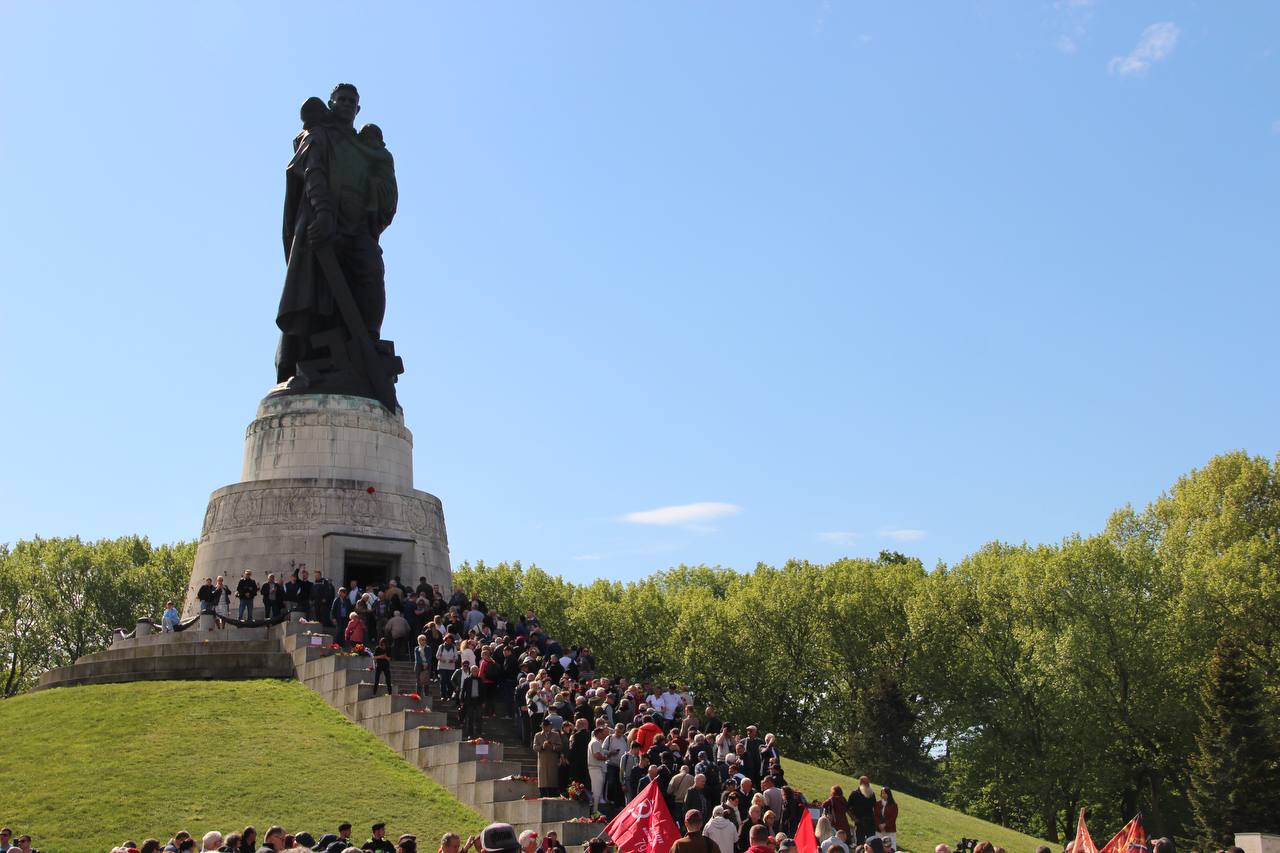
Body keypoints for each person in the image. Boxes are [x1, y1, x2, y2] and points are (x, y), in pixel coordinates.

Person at [276, 83, 398, 394]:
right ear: (332, 104)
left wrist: (372, 206)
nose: (345, 104)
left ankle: (367, 343)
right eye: (340, 99)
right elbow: (313, 172)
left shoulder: (366, 147)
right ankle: (311, 361)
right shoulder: (319, 135)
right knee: (318, 291)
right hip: (325, 222)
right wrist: (324, 212)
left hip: (357, 226)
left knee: (370, 275)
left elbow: (386, 191)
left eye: (351, 101)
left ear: (358, 110)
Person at [533, 718, 565, 797]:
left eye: (547, 726)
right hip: (542, 761)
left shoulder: (555, 735)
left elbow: (560, 746)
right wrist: (542, 747)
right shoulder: (537, 735)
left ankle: (553, 794)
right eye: (544, 726)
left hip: (552, 760)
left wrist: (553, 746)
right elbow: (534, 747)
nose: (546, 728)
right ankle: (543, 794)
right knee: (543, 781)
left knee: (552, 780)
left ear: (550, 726)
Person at [588, 725, 610, 812]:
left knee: (596, 790)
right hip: (596, 768)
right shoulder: (595, 742)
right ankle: (595, 812)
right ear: (597, 733)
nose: (603, 735)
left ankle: (594, 811)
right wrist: (605, 758)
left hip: (596, 768)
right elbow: (597, 755)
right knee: (597, 791)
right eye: (602, 733)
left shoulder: (595, 742)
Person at [847, 777, 876, 844]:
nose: (868, 785)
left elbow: (875, 807)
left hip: (871, 823)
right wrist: (853, 818)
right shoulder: (854, 794)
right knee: (860, 843)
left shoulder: (871, 794)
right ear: (861, 783)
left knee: (871, 842)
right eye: (866, 783)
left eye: (868, 783)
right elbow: (847, 808)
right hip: (860, 822)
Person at [436, 634, 459, 701]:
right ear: (445, 640)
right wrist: (441, 659)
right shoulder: (441, 646)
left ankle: (449, 695)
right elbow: (437, 656)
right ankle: (443, 696)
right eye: (447, 640)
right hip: (442, 667)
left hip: (451, 667)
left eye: (450, 640)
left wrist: (453, 660)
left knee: (450, 681)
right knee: (443, 681)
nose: (448, 641)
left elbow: (456, 657)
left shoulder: (453, 647)